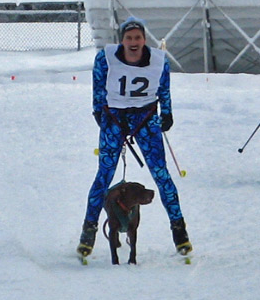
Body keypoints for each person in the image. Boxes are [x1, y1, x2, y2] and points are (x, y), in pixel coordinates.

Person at [77, 17, 191, 259]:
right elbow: (98, 86)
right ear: (122, 41)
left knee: (161, 175)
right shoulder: (105, 58)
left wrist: (167, 113)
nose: (133, 42)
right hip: (114, 116)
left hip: (145, 117)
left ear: (144, 40)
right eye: (128, 38)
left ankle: (179, 230)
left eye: (137, 37)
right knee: (104, 175)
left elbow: (164, 89)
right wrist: (98, 110)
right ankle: (89, 231)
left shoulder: (159, 60)